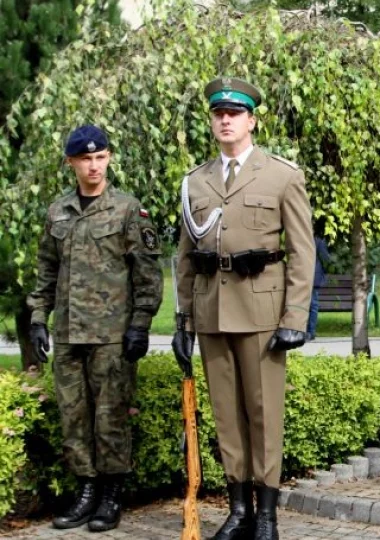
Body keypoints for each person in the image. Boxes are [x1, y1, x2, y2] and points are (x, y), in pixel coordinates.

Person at [172, 76, 315, 540]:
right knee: (226, 415)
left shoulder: (282, 175)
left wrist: (295, 317)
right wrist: (184, 320)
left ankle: (268, 515)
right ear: (212, 121)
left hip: (262, 313)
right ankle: (239, 511)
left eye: (235, 113)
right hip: (212, 311)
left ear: (252, 120)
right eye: (219, 113)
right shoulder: (196, 180)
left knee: (263, 412)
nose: (226, 119)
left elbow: (302, 250)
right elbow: (185, 256)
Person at [27, 124, 163, 532]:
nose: (93, 166)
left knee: (110, 419)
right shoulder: (58, 212)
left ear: (109, 157)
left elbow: (148, 273)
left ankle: (110, 496)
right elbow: (46, 270)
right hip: (69, 335)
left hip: (111, 336)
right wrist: (38, 318)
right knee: (74, 419)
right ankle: (85, 491)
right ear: (71, 162)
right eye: (85, 159)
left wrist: (140, 324)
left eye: (100, 157)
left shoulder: (126, 209)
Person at [306, 220, 333, 341]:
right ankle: (310, 332)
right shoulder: (318, 241)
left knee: (307, 305)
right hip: (314, 277)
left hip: (303, 276)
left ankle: (307, 331)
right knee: (313, 305)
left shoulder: (301, 240)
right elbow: (326, 259)